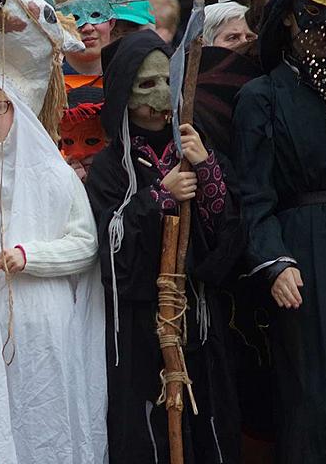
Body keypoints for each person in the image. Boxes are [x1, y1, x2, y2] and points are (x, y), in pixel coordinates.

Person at [231, 0, 326, 463]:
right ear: (288, 16)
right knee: (320, 402)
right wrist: (276, 261)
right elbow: (253, 197)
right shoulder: (261, 97)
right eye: (319, 20)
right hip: (306, 253)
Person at [87, 30, 242, 463]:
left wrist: (207, 169)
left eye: (165, 82)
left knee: (207, 427)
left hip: (199, 325)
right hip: (140, 332)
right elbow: (110, 251)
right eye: (145, 85)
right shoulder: (109, 167)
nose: (159, 97)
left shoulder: (197, 147)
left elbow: (227, 240)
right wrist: (158, 197)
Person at [0, 78, 107, 463]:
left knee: (48, 423)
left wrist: (29, 256)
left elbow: (85, 245)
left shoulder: (56, 174)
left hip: (46, 324)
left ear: (17, 110)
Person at [51, 0, 116, 84]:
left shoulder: (133, 76)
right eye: (75, 18)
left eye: (96, 15)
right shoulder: (48, 86)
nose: (88, 28)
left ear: (111, 22)